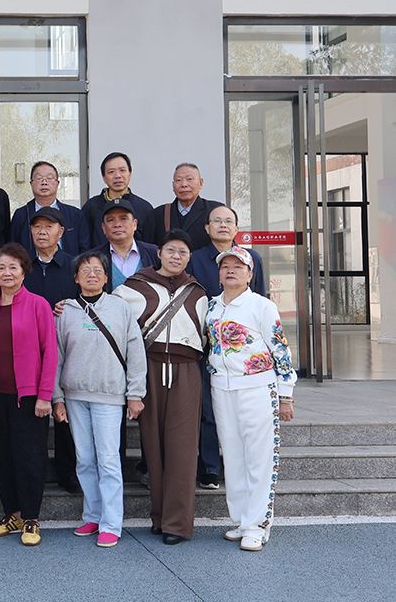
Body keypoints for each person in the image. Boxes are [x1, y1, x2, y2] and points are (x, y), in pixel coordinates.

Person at [115, 229, 208, 545]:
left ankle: (177, 524)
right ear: (159, 253)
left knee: (183, 448)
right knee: (152, 447)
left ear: (189, 257)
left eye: (182, 252)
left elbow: (208, 334)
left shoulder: (198, 293)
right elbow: (110, 317)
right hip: (148, 367)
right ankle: (159, 516)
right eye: (171, 250)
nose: (176, 256)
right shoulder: (133, 288)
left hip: (186, 370)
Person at [205, 246, 297, 552]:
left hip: (257, 388)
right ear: (219, 274)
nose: (231, 270)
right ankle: (242, 520)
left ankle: (258, 524)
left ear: (249, 274)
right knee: (233, 456)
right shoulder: (212, 306)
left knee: (259, 457)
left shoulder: (261, 306)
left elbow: (280, 349)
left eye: (238, 266)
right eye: (225, 266)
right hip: (222, 388)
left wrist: (286, 394)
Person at [52, 251, 146, 549]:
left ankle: (111, 523)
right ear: (75, 278)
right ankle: (92, 515)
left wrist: (135, 394)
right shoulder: (65, 311)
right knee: (84, 459)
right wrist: (57, 398)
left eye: (97, 270)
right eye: (85, 270)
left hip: (109, 395)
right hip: (75, 396)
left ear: (107, 277)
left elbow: (136, 352)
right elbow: (56, 356)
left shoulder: (120, 308)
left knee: (108, 460)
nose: (91, 275)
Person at [0, 243, 58, 546]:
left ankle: (31, 518)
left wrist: (45, 395)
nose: (7, 272)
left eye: (13, 267)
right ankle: (11, 514)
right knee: (1, 457)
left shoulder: (38, 305)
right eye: (1, 267)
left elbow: (50, 352)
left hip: (28, 397)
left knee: (29, 457)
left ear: (24, 271)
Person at [189, 204, 268, 491]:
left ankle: (245, 466)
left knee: (245, 413)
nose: (223, 225)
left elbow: (261, 298)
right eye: (217, 221)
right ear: (206, 228)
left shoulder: (252, 258)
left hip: (245, 351)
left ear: (236, 228)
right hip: (209, 346)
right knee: (210, 409)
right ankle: (210, 467)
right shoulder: (195, 259)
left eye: (228, 221)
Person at [22, 207, 81, 494]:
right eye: (37, 227)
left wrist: (70, 305)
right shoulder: (22, 264)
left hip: (67, 347)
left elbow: (87, 300)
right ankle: (33, 473)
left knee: (65, 410)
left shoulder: (74, 265)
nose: (42, 232)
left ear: (61, 232)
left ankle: (67, 472)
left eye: (49, 226)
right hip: (28, 347)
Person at [10, 160, 88, 254]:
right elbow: (13, 250)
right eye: (39, 178)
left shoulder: (75, 215)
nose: (44, 182)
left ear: (57, 183)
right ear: (31, 183)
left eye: (49, 178)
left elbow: (85, 251)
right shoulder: (21, 215)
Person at [81, 152, 155, 249]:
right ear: (104, 177)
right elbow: (84, 242)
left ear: (130, 173)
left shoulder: (144, 207)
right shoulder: (91, 207)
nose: (118, 176)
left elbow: (149, 243)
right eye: (111, 172)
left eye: (122, 170)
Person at [142, 163, 222, 250]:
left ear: (201, 183)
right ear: (173, 186)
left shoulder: (215, 211)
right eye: (178, 180)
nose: (184, 184)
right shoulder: (158, 214)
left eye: (189, 179)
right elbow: (148, 249)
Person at [95, 199, 160, 292]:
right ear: (103, 228)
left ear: (135, 224)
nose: (117, 224)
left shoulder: (154, 253)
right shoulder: (94, 257)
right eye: (110, 220)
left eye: (123, 218)